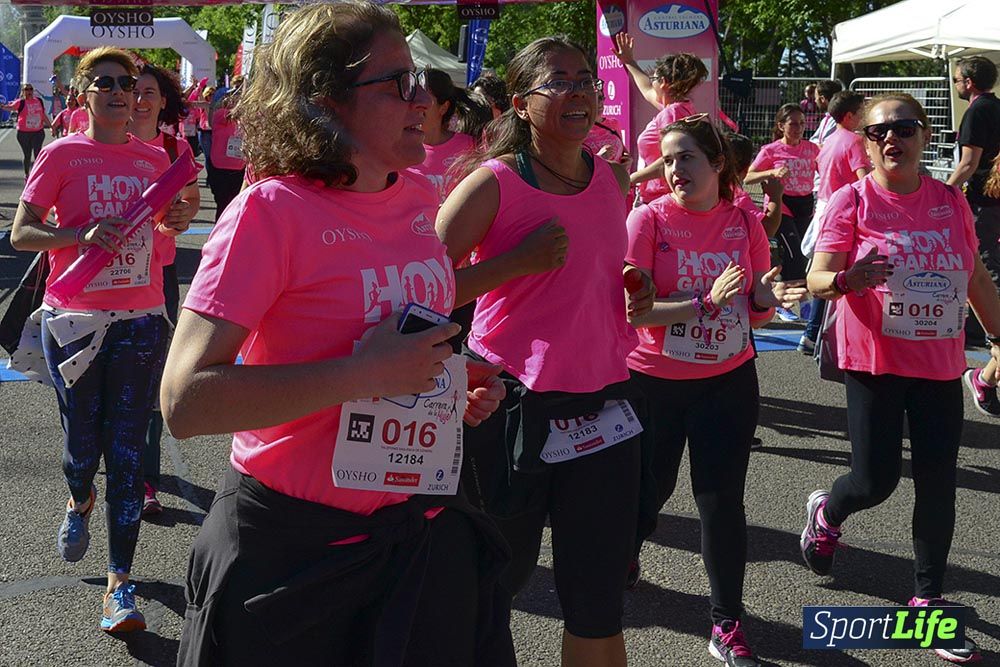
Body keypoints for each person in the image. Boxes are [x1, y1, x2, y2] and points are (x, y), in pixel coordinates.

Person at [158, 5, 514, 664]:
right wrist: (363, 374)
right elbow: (185, 401)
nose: (425, 99)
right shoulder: (269, 214)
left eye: (422, 82)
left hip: (420, 534)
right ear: (328, 102)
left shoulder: (414, 198)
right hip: (295, 560)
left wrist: (443, 388)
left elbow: (397, 341)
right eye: (401, 84)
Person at [438, 36, 654, 667]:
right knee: (493, 583)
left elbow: (596, 271)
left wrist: (630, 288)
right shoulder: (493, 184)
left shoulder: (612, 179)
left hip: (608, 403)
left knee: (597, 596)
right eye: (557, 81)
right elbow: (421, 285)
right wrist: (513, 264)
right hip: (510, 401)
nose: (577, 91)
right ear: (521, 103)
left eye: (584, 79)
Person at [801, 93, 1000, 665]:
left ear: (926, 135)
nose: (893, 138)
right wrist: (847, 279)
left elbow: (975, 277)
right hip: (875, 363)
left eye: (905, 127)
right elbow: (817, 277)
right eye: (880, 131)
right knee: (875, 481)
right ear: (866, 143)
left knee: (939, 484)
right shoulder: (852, 200)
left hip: (939, 364)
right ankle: (828, 512)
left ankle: (928, 604)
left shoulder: (949, 202)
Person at [9, 46, 186, 633]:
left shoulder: (153, 159)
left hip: (137, 318)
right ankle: (78, 496)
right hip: (74, 320)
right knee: (81, 447)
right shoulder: (62, 153)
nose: (119, 92)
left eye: (128, 83)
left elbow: (159, 240)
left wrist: (172, 224)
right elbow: (21, 233)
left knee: (129, 453)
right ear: (83, 95)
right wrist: (77, 232)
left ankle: (119, 584)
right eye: (105, 82)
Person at [625, 116, 806, 667]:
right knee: (648, 494)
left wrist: (768, 294)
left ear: (717, 165)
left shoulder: (743, 221)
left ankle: (727, 621)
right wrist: (703, 302)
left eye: (687, 158)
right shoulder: (647, 220)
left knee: (721, 500)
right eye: (670, 159)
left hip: (727, 380)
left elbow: (756, 305)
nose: (675, 170)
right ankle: (626, 551)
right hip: (655, 379)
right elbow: (636, 311)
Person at [129, 63, 201, 515]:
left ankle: (145, 479)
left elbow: (190, 198)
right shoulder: (90, 146)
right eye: (131, 90)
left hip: (156, 279)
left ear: (162, 100)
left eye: (148, 92)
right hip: (95, 288)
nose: (138, 99)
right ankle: (93, 459)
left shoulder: (176, 148)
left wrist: (184, 215)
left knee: (150, 377)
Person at [798, 91, 869, 354]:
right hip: (845, 211)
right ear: (849, 115)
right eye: (861, 112)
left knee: (824, 270)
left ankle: (812, 334)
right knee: (836, 274)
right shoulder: (854, 141)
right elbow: (863, 180)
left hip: (825, 207)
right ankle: (814, 334)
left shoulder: (828, 140)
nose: (863, 117)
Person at [948, 55, 1000, 416]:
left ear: (968, 82)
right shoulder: (995, 108)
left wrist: (944, 193)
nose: (955, 84)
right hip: (994, 199)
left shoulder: (977, 113)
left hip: (983, 202)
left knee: (983, 268)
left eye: (956, 79)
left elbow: (968, 163)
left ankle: (985, 338)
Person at [613, 32, 708, 204]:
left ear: (663, 82)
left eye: (654, 78)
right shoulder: (679, 107)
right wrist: (629, 61)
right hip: (660, 195)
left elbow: (670, 159)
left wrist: (630, 179)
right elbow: (647, 89)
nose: (651, 82)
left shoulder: (672, 113)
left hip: (660, 197)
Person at [746, 104, 821, 300]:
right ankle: (792, 297)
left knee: (805, 252)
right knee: (793, 251)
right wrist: (771, 172)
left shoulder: (812, 149)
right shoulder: (771, 150)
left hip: (805, 203)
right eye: (793, 124)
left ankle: (797, 295)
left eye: (802, 124)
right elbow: (748, 177)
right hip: (781, 203)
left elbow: (826, 171)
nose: (799, 128)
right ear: (781, 126)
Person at [409, 68, 480, 204]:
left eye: (426, 99)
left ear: (444, 107)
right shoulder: (402, 149)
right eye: (413, 98)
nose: (417, 105)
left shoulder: (471, 148)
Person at [208, 85, 246, 220]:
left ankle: (225, 225)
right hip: (223, 165)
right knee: (223, 202)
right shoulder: (220, 115)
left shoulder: (242, 118)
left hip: (234, 165)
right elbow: (231, 113)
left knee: (228, 202)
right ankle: (223, 226)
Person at [2, 83, 51, 178]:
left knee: (38, 153)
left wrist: (51, 126)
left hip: (38, 132)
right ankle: (27, 174)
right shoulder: (21, 102)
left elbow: (43, 115)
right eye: (26, 89)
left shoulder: (39, 101)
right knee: (27, 154)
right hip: (23, 133)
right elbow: (11, 107)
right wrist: (2, 107)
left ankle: (37, 174)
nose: (29, 91)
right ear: (23, 91)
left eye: (30, 89)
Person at [810, 80, 844, 147]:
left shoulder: (837, 120)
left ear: (822, 98)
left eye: (816, 98)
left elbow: (827, 145)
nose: (815, 101)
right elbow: (814, 140)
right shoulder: (826, 119)